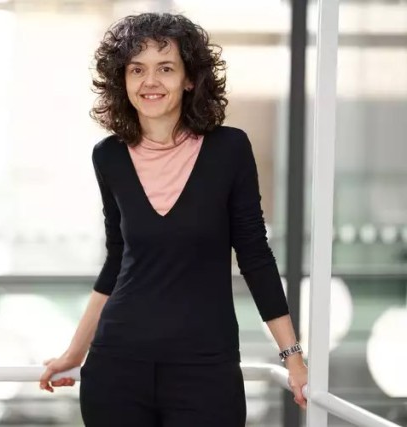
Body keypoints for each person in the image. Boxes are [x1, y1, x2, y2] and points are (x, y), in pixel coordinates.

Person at [39, 12, 308, 426]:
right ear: (122, 81)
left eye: (165, 68)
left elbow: (254, 255)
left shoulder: (229, 149)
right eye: (137, 70)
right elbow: (117, 261)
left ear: (189, 79)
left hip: (205, 370)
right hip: (117, 368)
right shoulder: (108, 156)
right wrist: (76, 352)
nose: (150, 82)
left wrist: (293, 357)